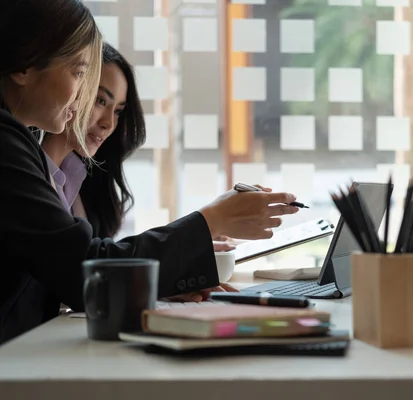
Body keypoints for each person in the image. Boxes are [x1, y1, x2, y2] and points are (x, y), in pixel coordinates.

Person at [0, 0, 298, 345]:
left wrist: (159, 283)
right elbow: (82, 268)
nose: (83, 98)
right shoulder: (7, 146)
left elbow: (66, 269)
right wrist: (209, 220)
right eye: (80, 73)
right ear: (24, 66)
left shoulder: (21, 146)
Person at [40, 42, 236, 254]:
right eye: (101, 101)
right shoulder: (27, 178)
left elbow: (102, 267)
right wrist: (191, 242)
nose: (109, 123)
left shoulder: (80, 183)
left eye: (117, 111)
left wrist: (186, 259)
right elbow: (84, 265)